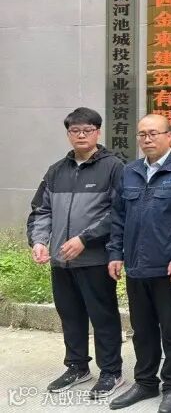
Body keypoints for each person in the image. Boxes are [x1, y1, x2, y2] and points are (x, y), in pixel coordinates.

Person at [107, 114, 171, 413]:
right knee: (142, 329)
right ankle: (146, 382)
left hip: (169, 268)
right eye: (142, 134)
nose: (147, 139)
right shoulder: (129, 172)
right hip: (136, 266)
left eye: (153, 133)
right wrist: (115, 253)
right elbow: (118, 217)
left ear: (169, 136)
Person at [27, 107, 125, 398]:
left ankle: (111, 372)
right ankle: (77, 366)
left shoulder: (114, 168)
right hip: (61, 261)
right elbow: (41, 210)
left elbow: (118, 212)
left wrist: (85, 239)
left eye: (87, 130)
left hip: (95, 259)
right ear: (68, 134)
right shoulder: (56, 170)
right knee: (70, 316)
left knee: (103, 317)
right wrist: (39, 241)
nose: (81, 135)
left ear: (98, 132)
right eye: (75, 131)